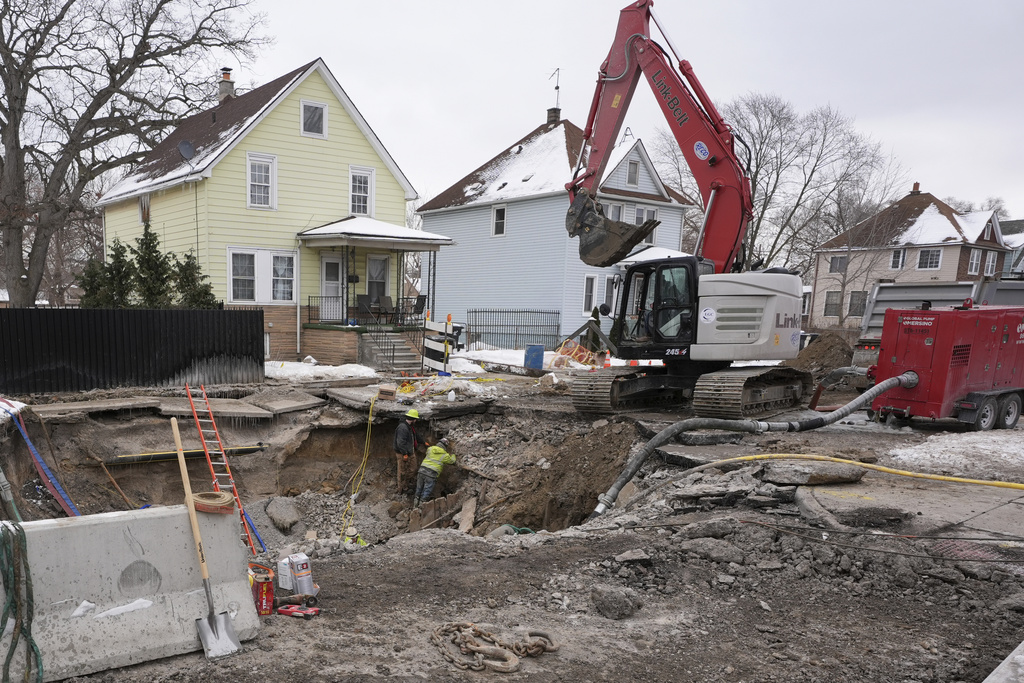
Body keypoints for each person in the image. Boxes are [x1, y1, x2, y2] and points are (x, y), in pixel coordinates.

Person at [414, 437, 455, 507]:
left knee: (419, 489)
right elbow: (452, 461)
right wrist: (453, 455)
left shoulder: (430, 449)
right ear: (445, 446)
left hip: (422, 471)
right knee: (426, 491)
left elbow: (427, 453)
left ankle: (415, 505)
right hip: (431, 474)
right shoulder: (445, 455)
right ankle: (421, 507)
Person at [393, 409, 419, 495]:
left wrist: (423, 442)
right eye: (415, 419)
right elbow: (400, 442)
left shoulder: (409, 427)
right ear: (413, 419)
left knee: (413, 469)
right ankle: (401, 489)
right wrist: (404, 453)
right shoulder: (403, 428)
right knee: (402, 471)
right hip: (402, 453)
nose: (416, 421)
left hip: (410, 452)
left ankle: (406, 483)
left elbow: (415, 435)